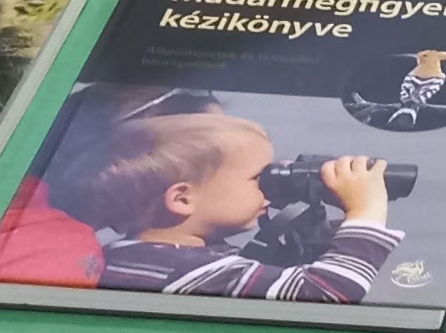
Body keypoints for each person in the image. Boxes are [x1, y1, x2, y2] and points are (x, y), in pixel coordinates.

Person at [39, 91, 400, 304]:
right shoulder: (190, 271)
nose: (269, 188)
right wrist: (365, 210)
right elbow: (329, 292)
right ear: (182, 198)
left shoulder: (133, 258)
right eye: (258, 177)